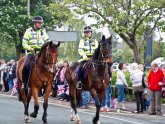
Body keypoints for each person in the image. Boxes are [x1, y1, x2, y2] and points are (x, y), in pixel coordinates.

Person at [22, 16, 50, 93]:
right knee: (25, 66)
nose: (40, 24)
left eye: (41, 23)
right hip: (31, 53)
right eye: (39, 23)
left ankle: (49, 83)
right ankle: (24, 83)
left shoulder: (43, 32)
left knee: (50, 65)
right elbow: (24, 43)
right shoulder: (28, 31)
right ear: (34, 23)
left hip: (41, 53)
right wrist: (29, 48)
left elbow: (48, 41)